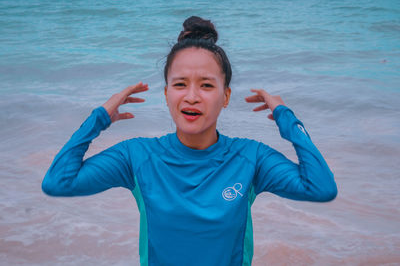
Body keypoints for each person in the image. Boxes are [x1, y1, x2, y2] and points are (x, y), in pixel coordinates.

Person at [42, 16, 337, 266]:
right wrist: (98, 118)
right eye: (180, 84)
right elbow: (59, 182)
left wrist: (287, 119)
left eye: (206, 85)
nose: (192, 96)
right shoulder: (137, 156)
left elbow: (321, 187)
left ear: (225, 97)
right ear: (167, 94)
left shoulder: (251, 158)